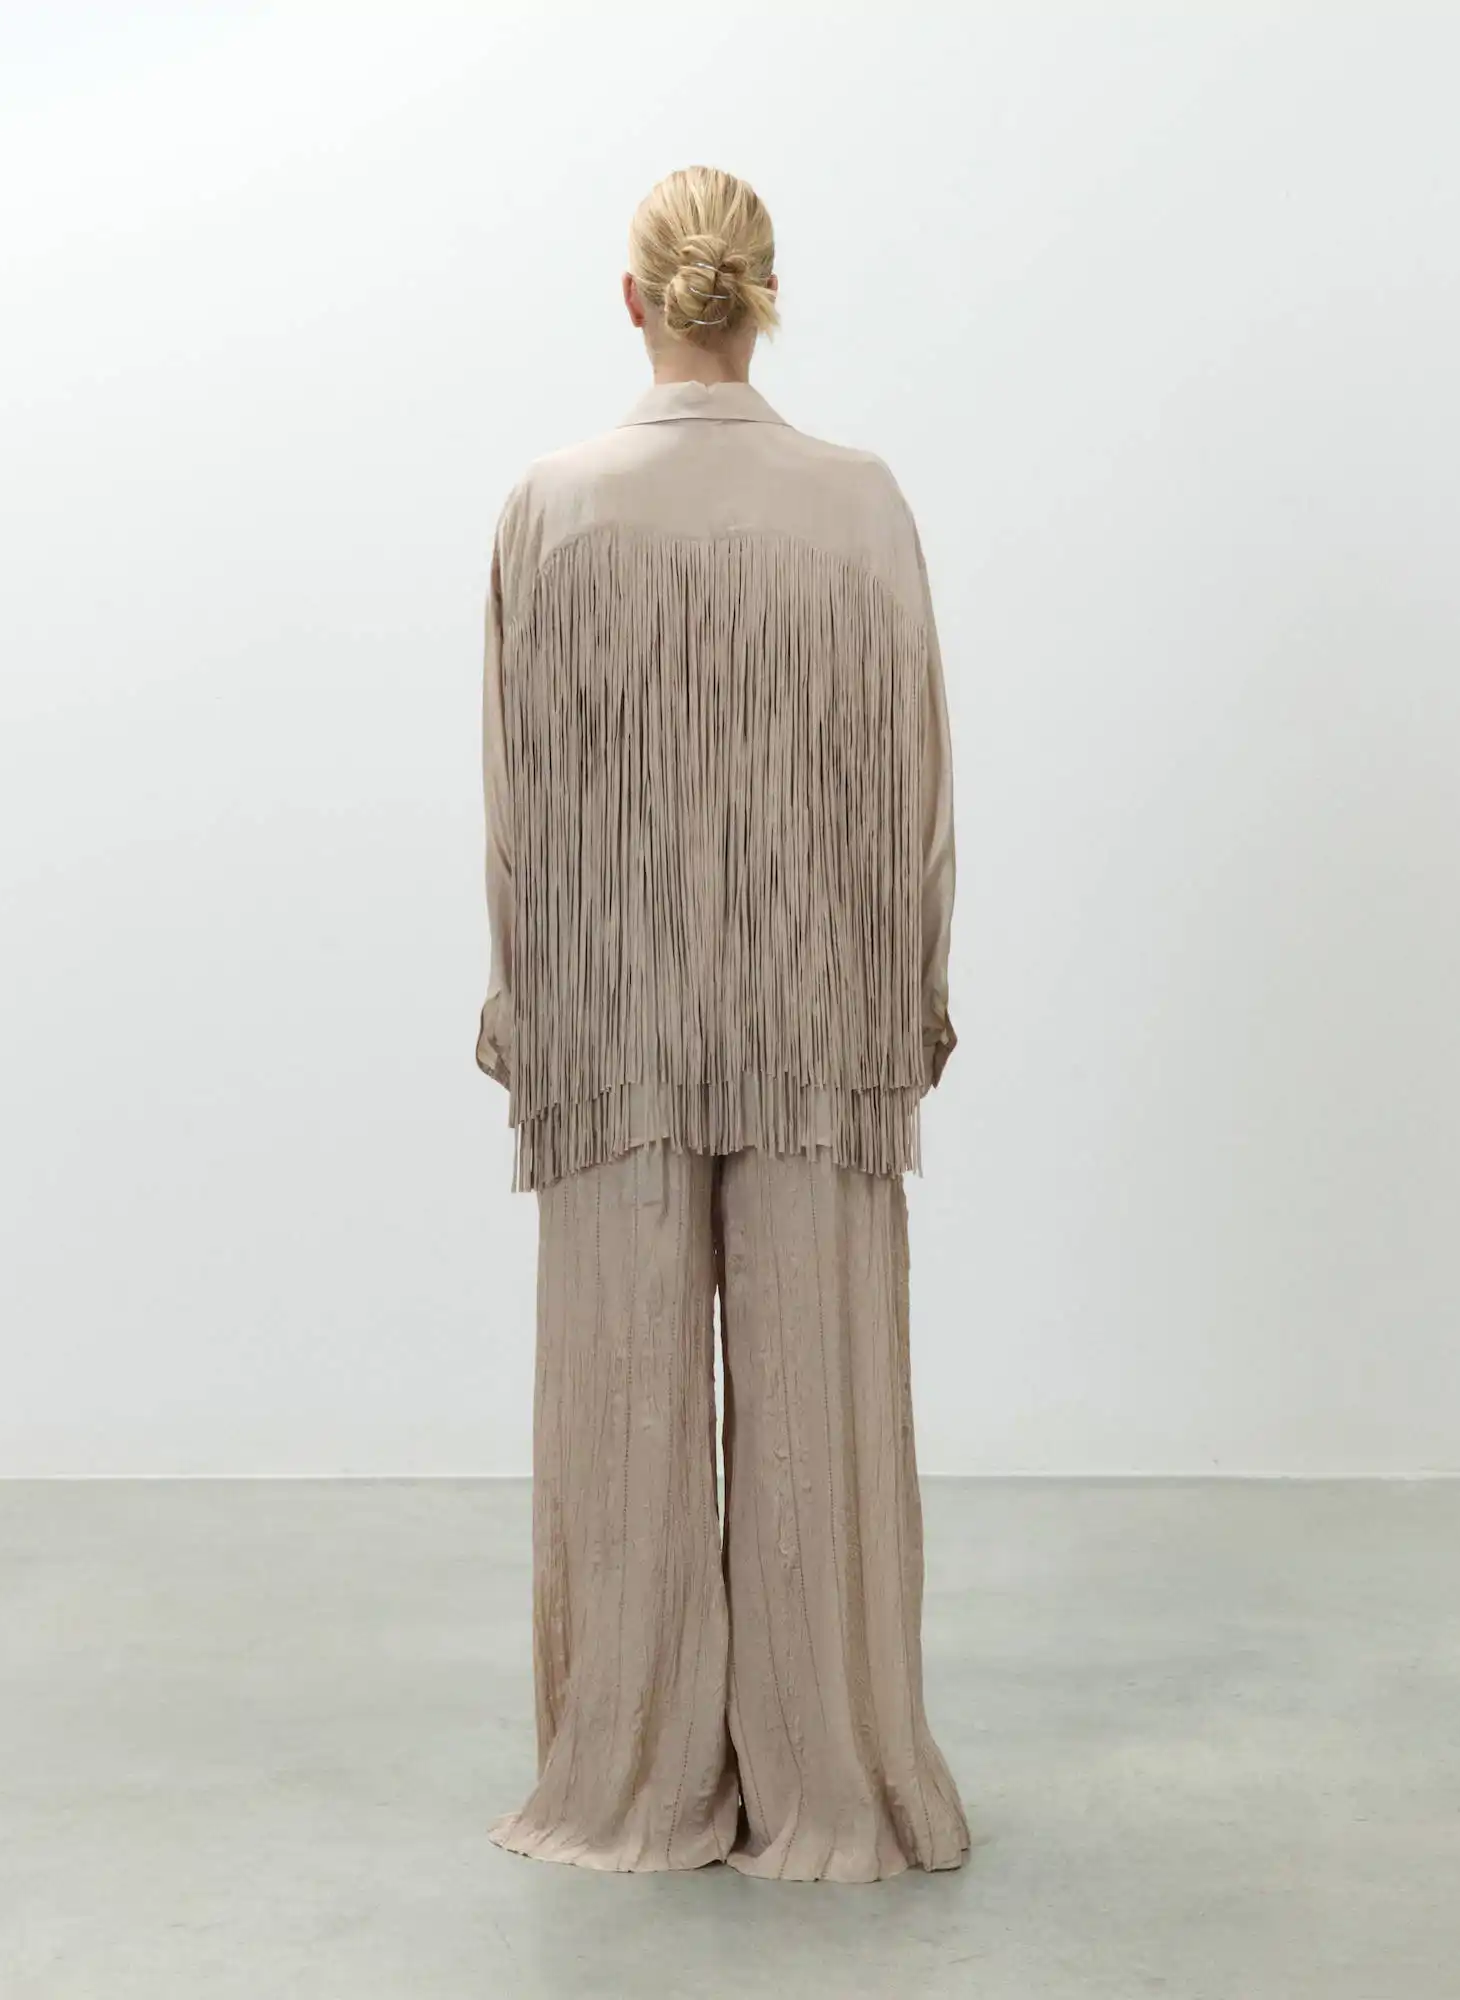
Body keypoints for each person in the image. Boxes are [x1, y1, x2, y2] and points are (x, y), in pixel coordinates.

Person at [476, 164, 968, 1882]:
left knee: (620, 1402)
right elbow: (915, 777)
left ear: (632, 300)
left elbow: (517, 798)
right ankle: (837, 1782)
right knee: (822, 1396)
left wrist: (520, 997)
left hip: (612, 1008)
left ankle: (627, 1783)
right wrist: (913, 989)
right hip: (816, 1010)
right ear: (763, 297)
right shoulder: (860, 505)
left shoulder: (552, 507)